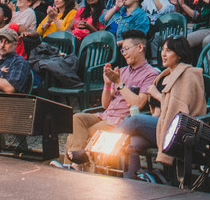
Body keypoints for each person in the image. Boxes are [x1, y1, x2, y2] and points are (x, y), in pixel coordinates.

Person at [61, 30, 160, 168]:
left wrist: (119, 83)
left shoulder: (150, 74)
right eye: (122, 50)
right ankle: (76, 164)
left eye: (127, 49)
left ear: (139, 47)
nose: (124, 53)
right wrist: (107, 84)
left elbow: (138, 103)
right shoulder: (122, 71)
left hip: (121, 121)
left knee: (80, 134)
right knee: (77, 118)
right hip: (105, 116)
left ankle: (72, 166)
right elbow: (105, 104)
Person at [114, 36, 205, 176]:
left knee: (136, 120)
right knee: (131, 143)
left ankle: (98, 147)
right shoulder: (163, 77)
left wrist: (157, 95)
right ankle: (131, 181)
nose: (163, 54)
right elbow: (157, 112)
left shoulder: (188, 75)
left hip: (179, 129)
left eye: (168, 51)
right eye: (162, 50)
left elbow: (180, 109)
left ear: (179, 54)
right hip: (161, 125)